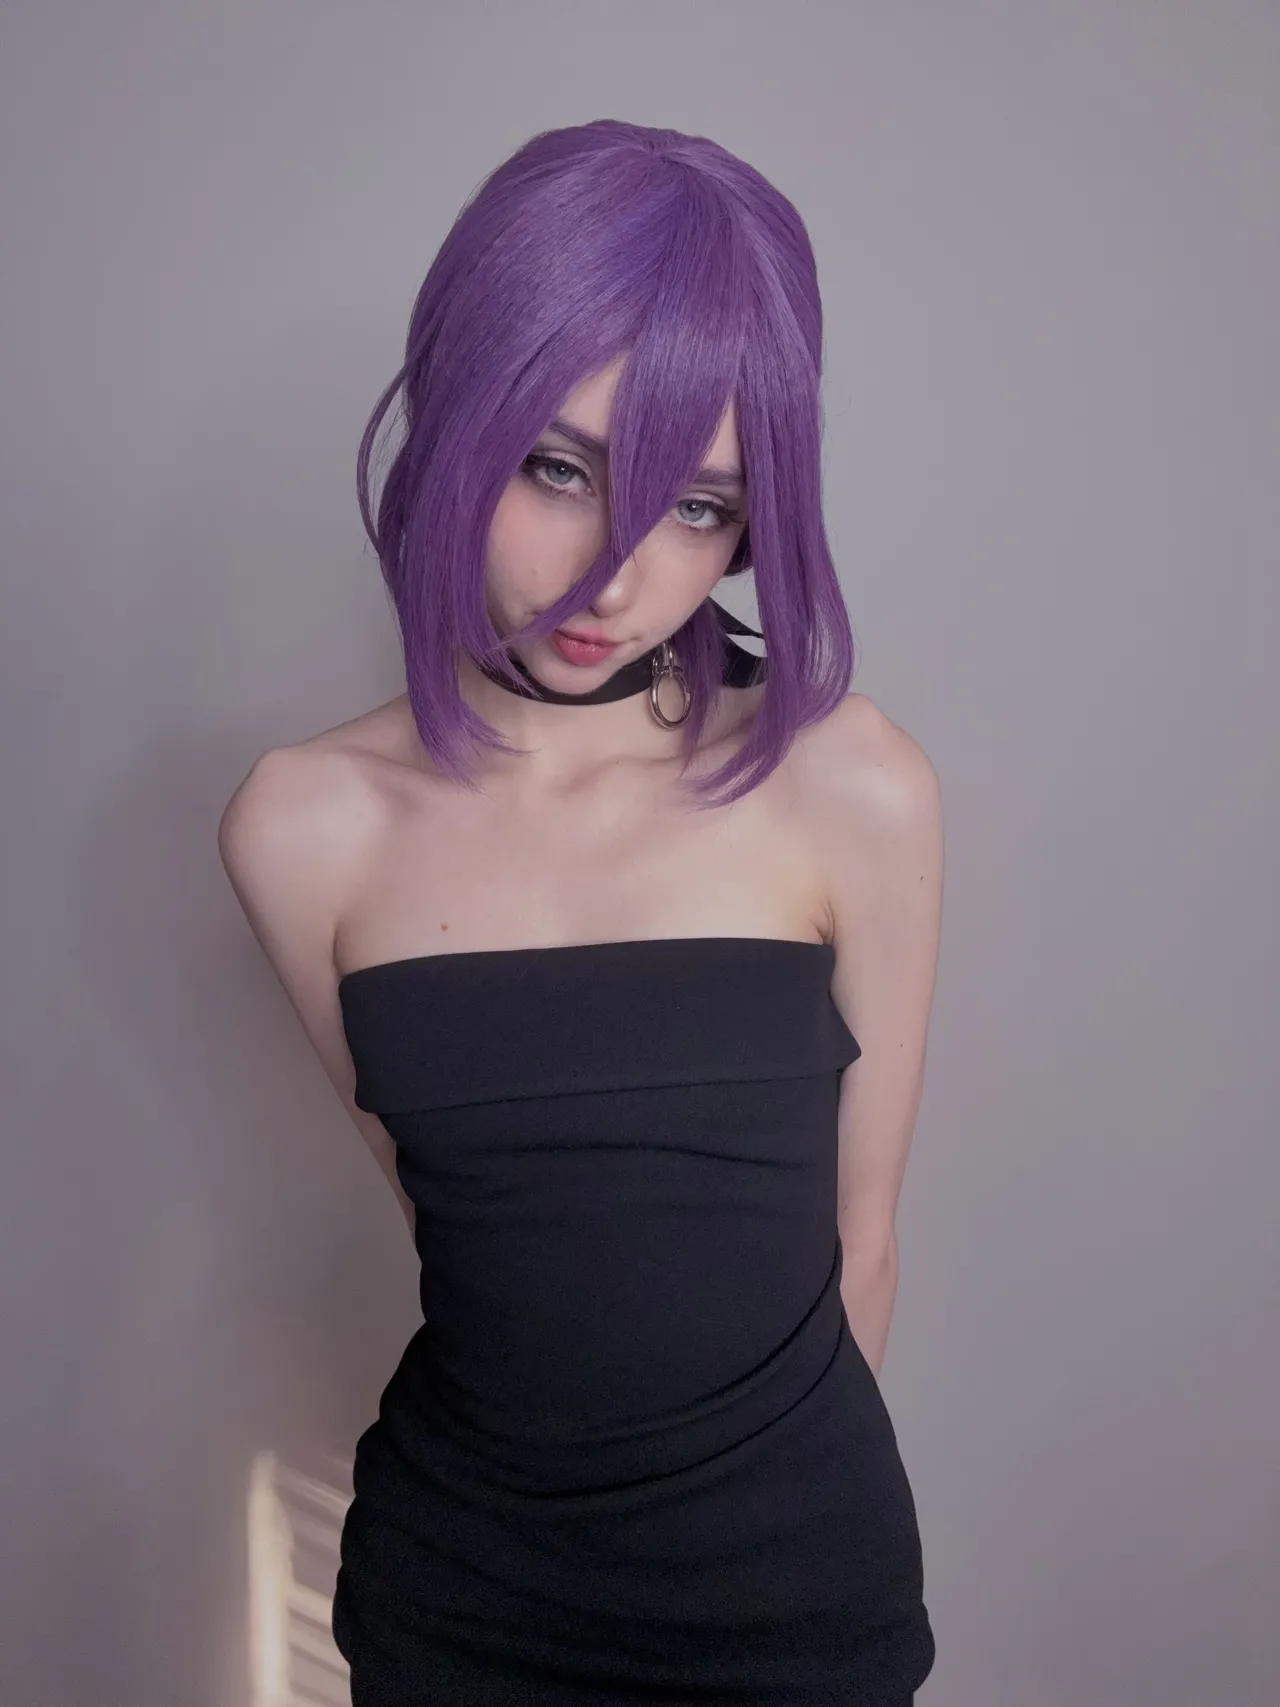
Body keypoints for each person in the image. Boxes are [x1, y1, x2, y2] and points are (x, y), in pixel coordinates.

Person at [219, 118, 943, 1707]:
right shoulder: (301, 828)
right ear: (458, 416)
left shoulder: (851, 785)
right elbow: (463, 1224)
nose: (616, 574)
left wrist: (762, 1563)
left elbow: (863, 1239)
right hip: (460, 1606)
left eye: (699, 507)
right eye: (561, 468)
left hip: (792, 1607)